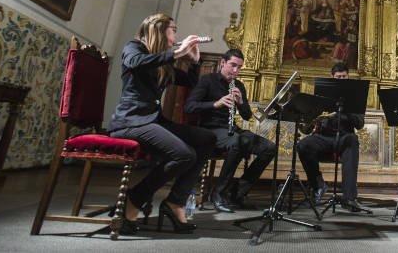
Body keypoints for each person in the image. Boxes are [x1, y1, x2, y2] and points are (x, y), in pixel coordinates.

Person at [108, 14, 216, 234]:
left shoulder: (163, 62)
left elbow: (190, 83)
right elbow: (135, 63)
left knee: (207, 139)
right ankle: (134, 199)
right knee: (185, 155)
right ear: (158, 30)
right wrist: (177, 52)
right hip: (130, 121)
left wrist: (194, 62)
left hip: (153, 121)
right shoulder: (134, 47)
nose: (176, 34)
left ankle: (175, 201)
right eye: (173, 30)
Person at [184, 48, 276, 212]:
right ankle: (218, 193)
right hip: (210, 129)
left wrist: (241, 102)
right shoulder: (208, 80)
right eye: (233, 65)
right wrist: (215, 104)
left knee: (269, 148)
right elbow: (189, 107)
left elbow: (247, 116)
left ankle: (238, 192)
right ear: (223, 63)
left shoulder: (238, 85)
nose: (235, 71)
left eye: (239, 67)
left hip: (231, 129)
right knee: (238, 143)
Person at [297, 62, 366, 212]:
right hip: (323, 136)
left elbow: (360, 124)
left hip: (344, 137)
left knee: (353, 140)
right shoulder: (322, 94)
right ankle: (318, 185)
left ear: (348, 77)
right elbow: (309, 121)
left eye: (344, 77)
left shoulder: (355, 96)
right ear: (332, 77)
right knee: (303, 145)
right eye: (338, 77)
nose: (341, 79)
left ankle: (349, 197)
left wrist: (346, 109)